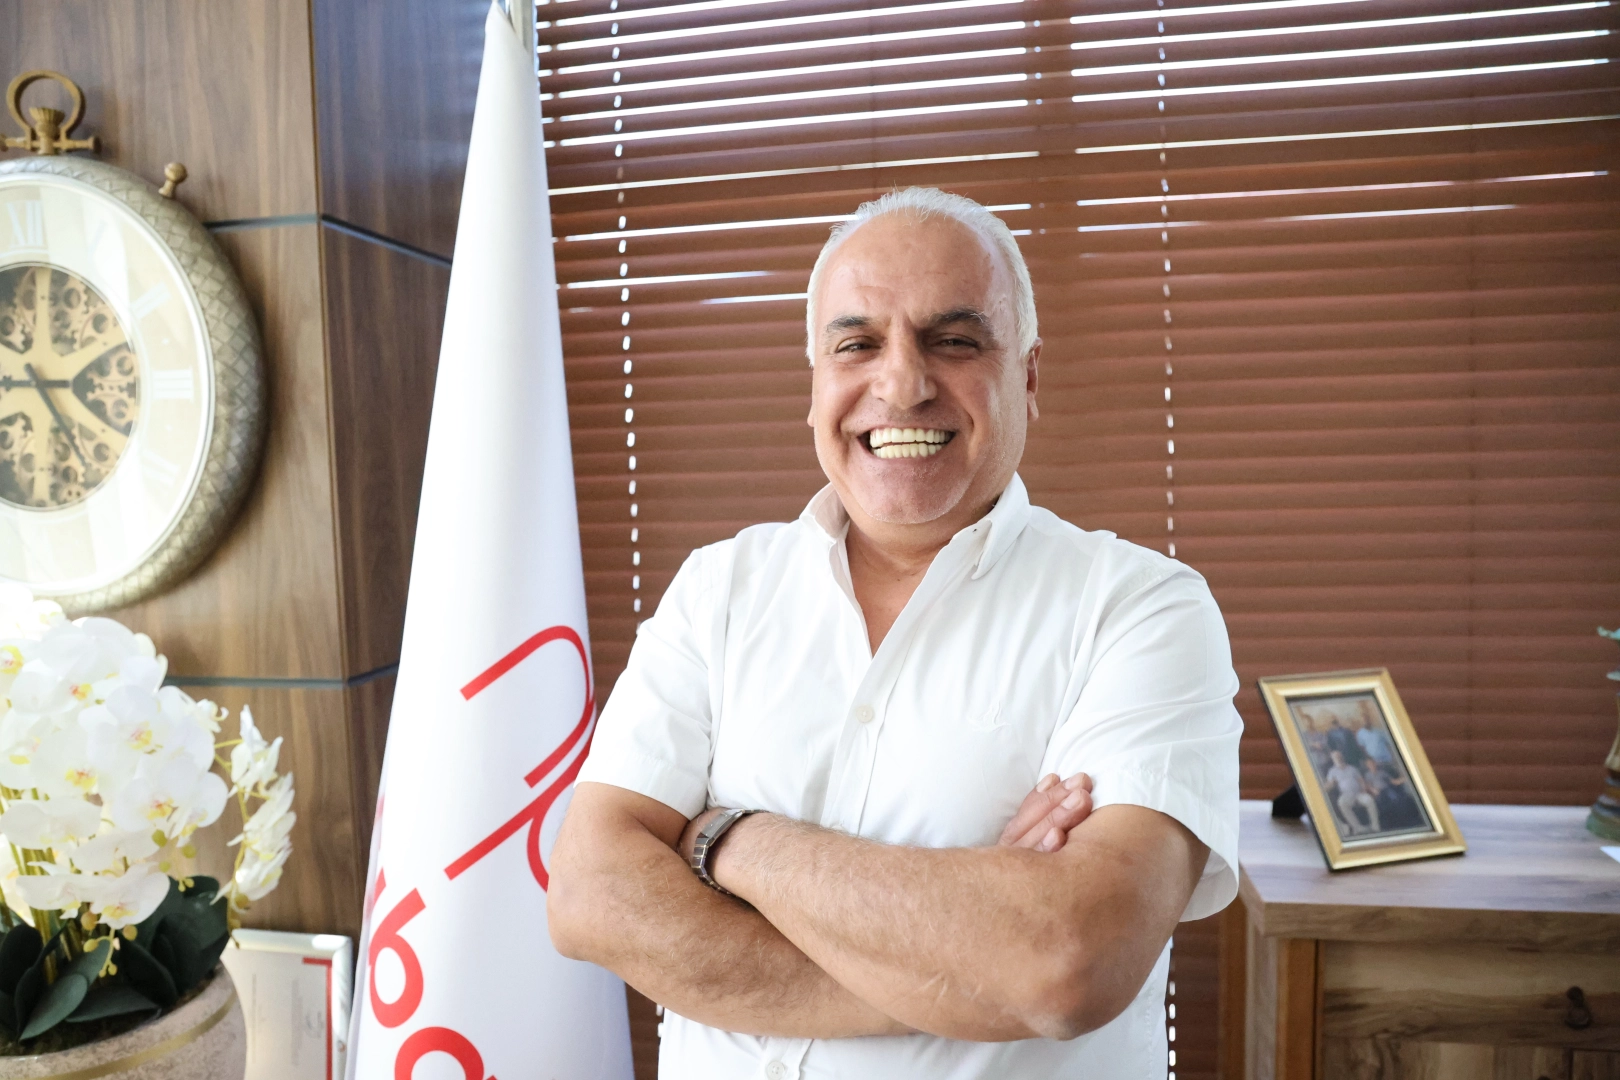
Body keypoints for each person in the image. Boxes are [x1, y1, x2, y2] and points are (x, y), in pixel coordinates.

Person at [547, 188, 1243, 1079]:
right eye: (857, 344)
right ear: (815, 382)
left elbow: (1068, 962)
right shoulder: (717, 591)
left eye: (954, 341)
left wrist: (729, 842)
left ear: (1028, 377)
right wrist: (968, 969)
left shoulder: (1143, 609)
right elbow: (591, 894)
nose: (904, 384)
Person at [1325, 749, 1380, 835]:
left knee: (1369, 800)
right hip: (1346, 795)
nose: (1338, 758)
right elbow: (1328, 786)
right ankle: (1358, 828)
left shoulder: (1352, 768)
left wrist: (1364, 789)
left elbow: (1361, 780)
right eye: (1336, 757)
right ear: (1332, 759)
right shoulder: (1332, 771)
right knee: (1341, 803)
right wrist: (1331, 783)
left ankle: (1375, 827)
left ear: (1342, 756)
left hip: (1359, 793)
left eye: (1339, 756)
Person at [1353, 703, 1396, 768]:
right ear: (1361, 721)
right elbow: (1362, 748)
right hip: (1375, 762)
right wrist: (1370, 761)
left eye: (1367, 719)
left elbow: (1389, 743)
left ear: (1369, 720)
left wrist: (1393, 756)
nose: (1365, 721)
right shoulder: (1360, 734)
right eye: (1363, 720)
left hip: (1386, 759)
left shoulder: (1379, 731)